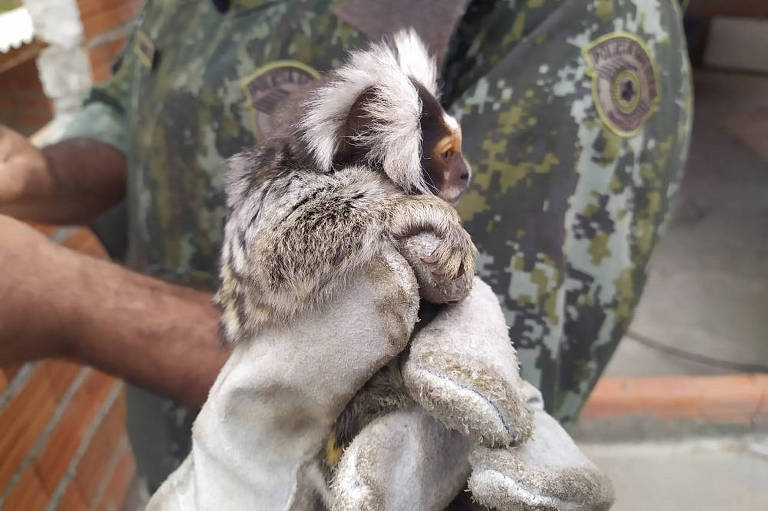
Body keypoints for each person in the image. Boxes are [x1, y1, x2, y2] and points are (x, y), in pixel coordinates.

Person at [0, 0, 691, 498]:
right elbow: (133, 97)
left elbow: (482, 385)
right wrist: (47, 171)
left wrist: (75, 303)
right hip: (175, 464)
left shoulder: (584, 17)